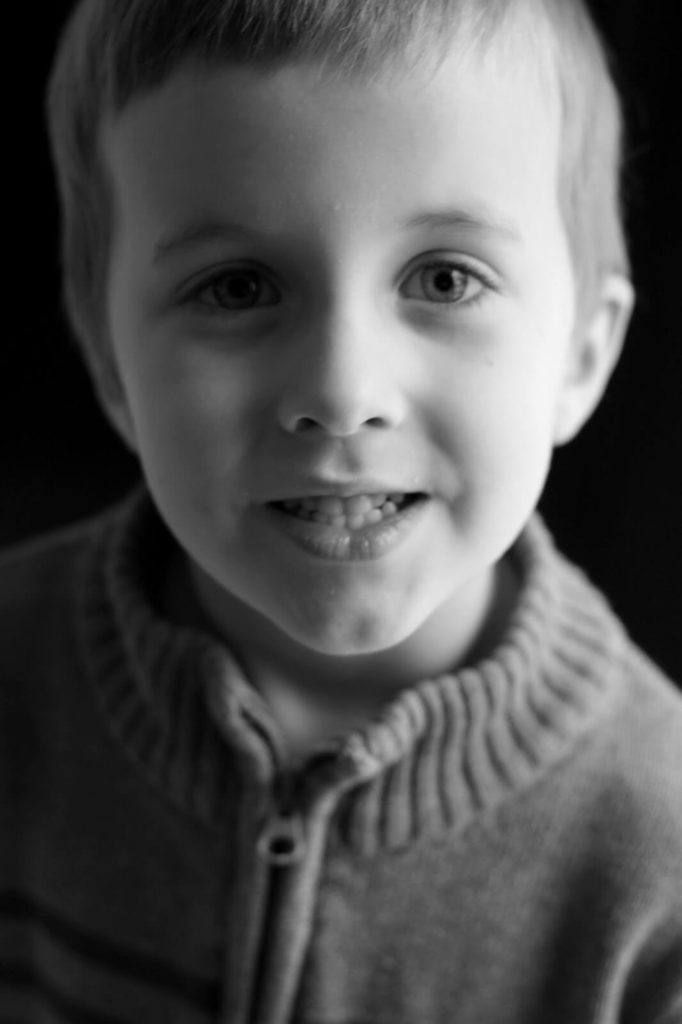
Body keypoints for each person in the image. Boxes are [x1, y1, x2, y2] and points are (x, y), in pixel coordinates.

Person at [1, 0, 680, 1019]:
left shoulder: (657, 857)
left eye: (445, 277)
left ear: (581, 352)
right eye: (236, 287)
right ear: (108, 361)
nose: (341, 386)